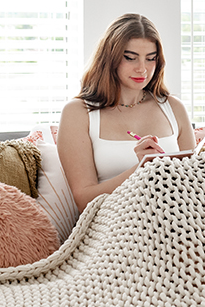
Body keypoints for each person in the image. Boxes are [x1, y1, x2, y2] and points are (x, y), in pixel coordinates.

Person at [58, 13, 196, 211]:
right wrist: (142, 168)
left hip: (176, 218)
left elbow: (193, 184)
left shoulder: (173, 108)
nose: (142, 69)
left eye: (151, 59)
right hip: (114, 226)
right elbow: (83, 200)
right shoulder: (78, 113)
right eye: (131, 58)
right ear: (109, 59)